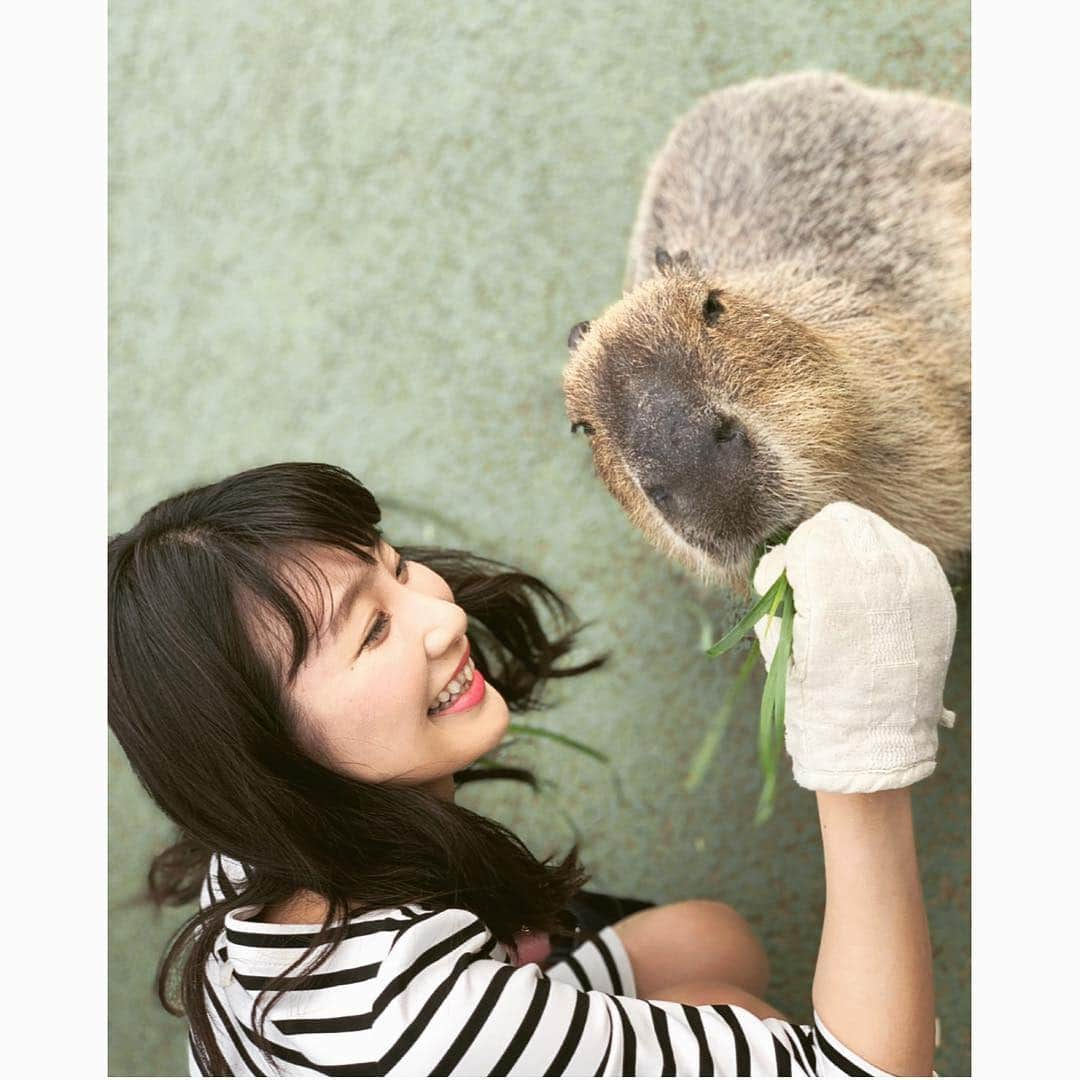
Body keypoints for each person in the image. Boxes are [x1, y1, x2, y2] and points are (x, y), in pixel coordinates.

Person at [109, 462, 956, 1077]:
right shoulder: (423, 1025)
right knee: (763, 1015)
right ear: (266, 750)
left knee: (712, 945)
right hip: (443, 1043)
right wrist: (862, 745)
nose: (441, 616)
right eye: (371, 631)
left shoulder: (257, 842)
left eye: (396, 567)